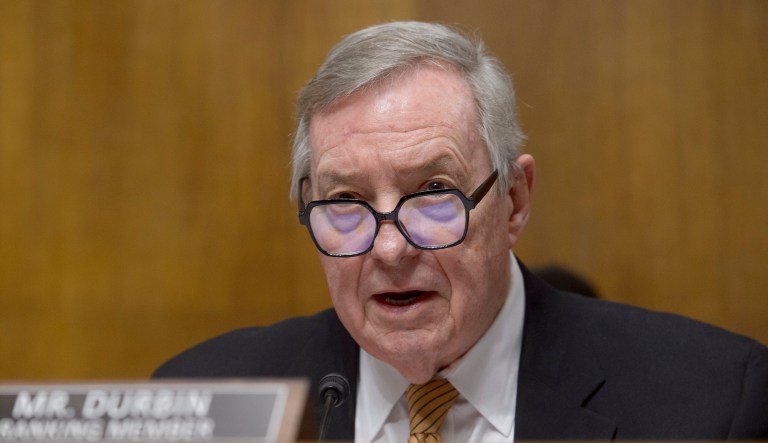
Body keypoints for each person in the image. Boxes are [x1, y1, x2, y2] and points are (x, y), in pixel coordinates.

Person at [154, 21, 768, 441]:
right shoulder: (197, 405)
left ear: (514, 202)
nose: (390, 247)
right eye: (346, 202)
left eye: (433, 194)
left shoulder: (714, 402)